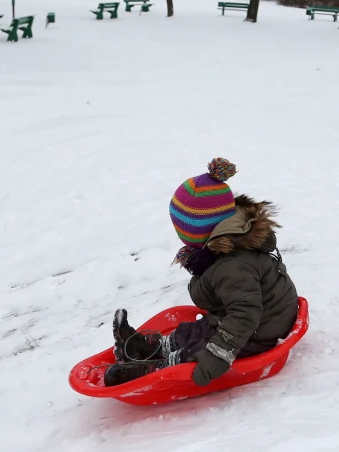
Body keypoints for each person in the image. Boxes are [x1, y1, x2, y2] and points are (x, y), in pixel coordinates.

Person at [104, 158, 299, 386]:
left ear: (199, 232)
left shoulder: (233, 266)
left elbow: (244, 315)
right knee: (197, 330)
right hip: (244, 317)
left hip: (259, 332)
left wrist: (217, 357)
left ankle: (159, 368)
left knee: (203, 349)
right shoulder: (222, 252)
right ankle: (150, 348)